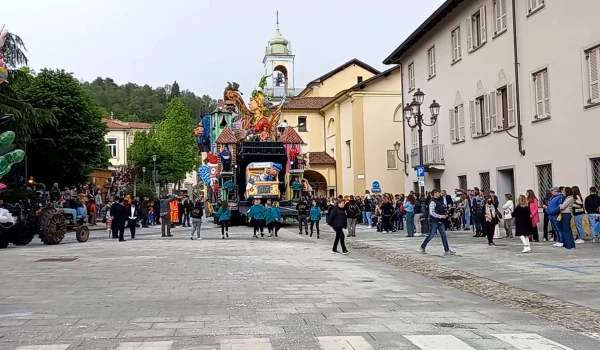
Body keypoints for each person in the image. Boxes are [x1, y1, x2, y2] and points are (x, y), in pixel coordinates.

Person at [420, 189, 455, 255]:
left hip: (440, 221)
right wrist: (440, 216)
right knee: (431, 235)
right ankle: (423, 246)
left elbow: (441, 209)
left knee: (444, 235)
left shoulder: (439, 201)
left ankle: (446, 249)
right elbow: (432, 212)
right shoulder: (432, 202)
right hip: (434, 221)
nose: (440, 194)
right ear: (435, 193)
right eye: (438, 193)